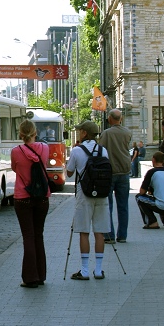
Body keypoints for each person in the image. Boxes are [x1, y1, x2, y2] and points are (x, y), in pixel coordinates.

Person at [66, 120, 110, 280]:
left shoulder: (77, 151)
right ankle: (98, 270)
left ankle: (84, 270)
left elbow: (69, 172)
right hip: (101, 194)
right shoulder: (103, 150)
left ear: (84, 133)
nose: (78, 133)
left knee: (84, 232)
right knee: (99, 232)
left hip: (84, 194)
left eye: (80, 131)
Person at [10, 119, 50, 288]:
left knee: (28, 236)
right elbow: (44, 164)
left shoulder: (16, 151)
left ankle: (30, 277)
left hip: (23, 197)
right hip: (42, 197)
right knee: (38, 235)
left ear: (20, 134)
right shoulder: (45, 148)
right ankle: (41, 275)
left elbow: (15, 169)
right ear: (35, 133)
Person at [98, 109, 132, 243]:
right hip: (124, 171)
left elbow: (100, 149)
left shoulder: (106, 133)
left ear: (110, 119)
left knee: (108, 205)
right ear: (121, 119)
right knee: (123, 206)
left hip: (110, 172)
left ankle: (109, 235)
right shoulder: (127, 132)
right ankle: (122, 235)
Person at [136, 151, 164, 229]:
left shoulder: (151, 172)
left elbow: (142, 192)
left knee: (139, 197)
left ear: (153, 160)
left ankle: (152, 222)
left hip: (162, 206)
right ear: (163, 160)